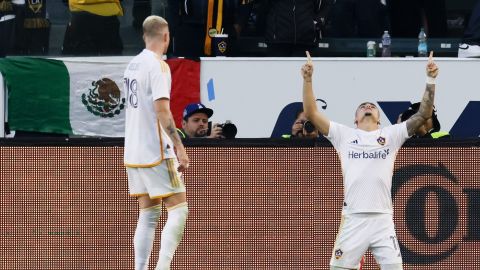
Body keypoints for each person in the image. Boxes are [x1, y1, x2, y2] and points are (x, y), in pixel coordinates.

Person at [301, 50, 439, 270]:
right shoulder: (343, 135)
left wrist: (430, 79)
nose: (368, 107)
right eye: (363, 106)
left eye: (372, 106)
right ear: (355, 119)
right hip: (353, 219)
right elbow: (310, 112)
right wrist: (308, 80)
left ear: (379, 118)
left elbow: (423, 114)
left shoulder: (392, 135)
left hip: (383, 220)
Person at [123, 15, 189, 270]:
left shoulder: (132, 64)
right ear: (166, 37)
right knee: (179, 208)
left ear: (143, 36)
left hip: (133, 151)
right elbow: (162, 111)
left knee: (149, 214)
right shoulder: (158, 66)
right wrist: (179, 146)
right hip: (155, 149)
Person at [167, 0, 253, 57]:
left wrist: (239, 25)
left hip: (226, 30)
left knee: (226, 76)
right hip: (190, 31)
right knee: (190, 76)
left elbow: (246, 4)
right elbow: (172, 5)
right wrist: (176, 28)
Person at [257, 0, 330, 56]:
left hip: (306, 39)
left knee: (303, 75)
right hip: (277, 40)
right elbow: (263, 6)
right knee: (277, 74)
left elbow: (325, 5)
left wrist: (316, 23)